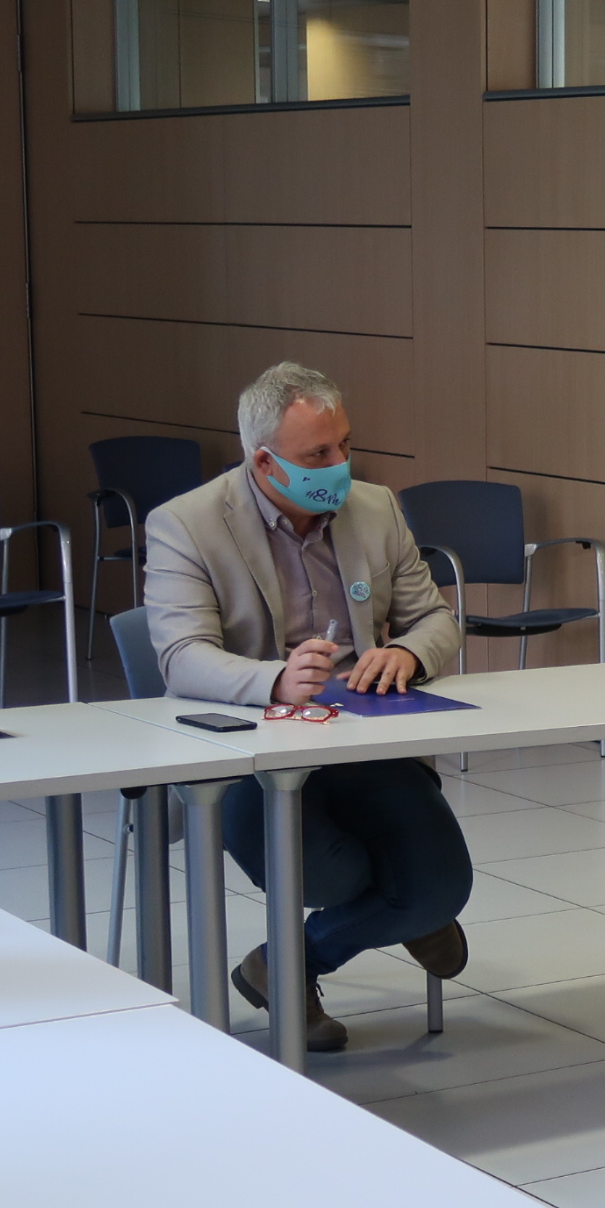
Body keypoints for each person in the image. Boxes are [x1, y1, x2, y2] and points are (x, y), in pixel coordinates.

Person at [143, 362, 473, 1053]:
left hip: (364, 739)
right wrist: (272, 680)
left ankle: (285, 963)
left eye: (345, 445)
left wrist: (409, 655)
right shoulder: (186, 524)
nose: (339, 466)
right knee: (339, 875)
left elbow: (436, 620)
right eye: (317, 455)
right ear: (264, 462)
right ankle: (387, 911)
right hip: (250, 754)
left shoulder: (376, 508)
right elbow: (181, 656)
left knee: (442, 886)